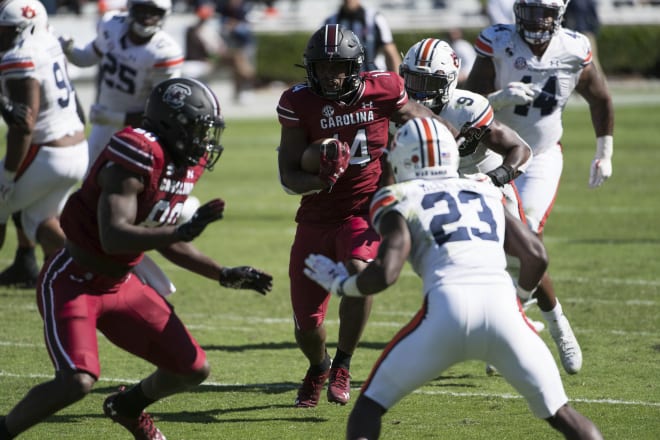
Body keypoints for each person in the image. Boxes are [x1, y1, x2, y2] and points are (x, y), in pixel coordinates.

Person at [0, 77, 273, 440]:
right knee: (76, 382)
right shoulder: (136, 154)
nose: (203, 139)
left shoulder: (182, 162)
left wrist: (222, 274)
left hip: (122, 284)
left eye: (206, 129)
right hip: (74, 279)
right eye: (195, 128)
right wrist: (176, 233)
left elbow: (160, 234)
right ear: (168, 123)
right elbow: (114, 236)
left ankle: (127, 406)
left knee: (193, 369)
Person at [303, 116, 604, 440]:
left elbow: (386, 273)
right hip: (506, 314)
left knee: (367, 411)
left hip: (445, 312)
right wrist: (517, 296)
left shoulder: (398, 197)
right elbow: (536, 256)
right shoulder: (484, 189)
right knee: (561, 414)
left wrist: (341, 284)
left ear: (402, 157)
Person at [277, 24, 455, 408]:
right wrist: (319, 176)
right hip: (317, 216)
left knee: (361, 272)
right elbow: (288, 177)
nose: (329, 74)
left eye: (337, 66)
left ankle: (343, 362)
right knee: (307, 325)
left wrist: (451, 140)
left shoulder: (384, 88)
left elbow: (418, 117)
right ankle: (318, 365)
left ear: (355, 65)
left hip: (365, 209)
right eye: (321, 67)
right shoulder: (298, 102)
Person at [465, 0, 615, 374]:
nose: (537, 19)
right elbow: (469, 104)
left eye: (545, 11)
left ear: (559, 13)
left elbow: (600, 97)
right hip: (493, 153)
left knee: (526, 236)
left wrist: (605, 152)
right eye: (530, 10)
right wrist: (501, 98)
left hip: (541, 156)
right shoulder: (497, 41)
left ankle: (547, 325)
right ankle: (525, 321)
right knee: (496, 244)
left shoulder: (574, 47)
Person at [0, 0, 89, 284]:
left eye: (8, 30)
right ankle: (88, 273)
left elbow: (24, 125)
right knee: (40, 221)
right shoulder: (49, 43)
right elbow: (76, 103)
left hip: (47, 151)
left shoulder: (20, 55)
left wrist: (8, 176)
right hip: (76, 147)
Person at [58, 0, 183, 168]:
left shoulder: (165, 52)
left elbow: (161, 109)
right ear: (131, 9)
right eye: (142, 10)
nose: (147, 17)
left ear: (163, 15)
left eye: (153, 12)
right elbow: (88, 57)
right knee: (89, 178)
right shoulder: (112, 25)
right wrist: (70, 51)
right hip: (104, 121)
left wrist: (114, 118)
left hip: (138, 130)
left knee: (127, 183)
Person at [324, 0, 401, 72]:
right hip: (343, 79)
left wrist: (398, 81)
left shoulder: (374, 18)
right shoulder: (331, 21)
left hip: (373, 77)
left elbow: (391, 52)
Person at [217, 0, 257, 104]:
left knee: (246, 70)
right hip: (233, 46)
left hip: (245, 46)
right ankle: (237, 92)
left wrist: (235, 26)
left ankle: (247, 91)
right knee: (236, 71)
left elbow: (248, 29)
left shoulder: (246, 9)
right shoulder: (224, 10)